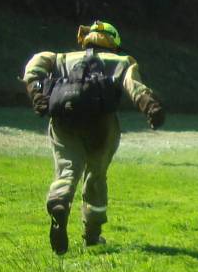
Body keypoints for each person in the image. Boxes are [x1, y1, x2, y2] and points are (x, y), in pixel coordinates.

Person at [21, 20, 164, 254]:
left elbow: (36, 63)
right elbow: (134, 86)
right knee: (96, 176)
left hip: (63, 118)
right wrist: (150, 107)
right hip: (101, 125)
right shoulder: (121, 61)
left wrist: (36, 92)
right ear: (113, 43)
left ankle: (59, 202)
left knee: (67, 169)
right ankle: (92, 235)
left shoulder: (62, 58)